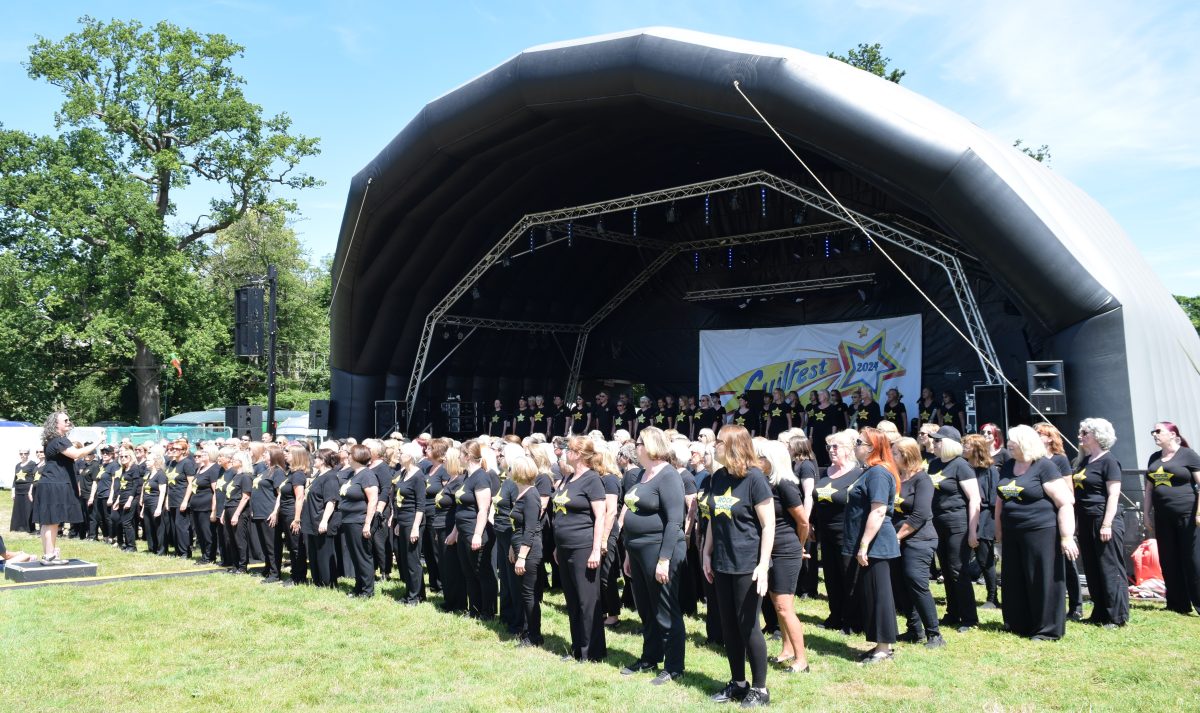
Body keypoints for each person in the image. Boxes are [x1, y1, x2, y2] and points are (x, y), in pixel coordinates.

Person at [702, 424, 774, 707]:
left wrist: (763, 564)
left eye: (719, 442)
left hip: (747, 563)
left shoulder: (755, 479)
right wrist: (707, 553)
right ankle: (738, 683)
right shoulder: (718, 476)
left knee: (748, 625)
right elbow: (714, 516)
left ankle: (760, 689)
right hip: (721, 561)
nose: (714, 446)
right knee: (728, 625)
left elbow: (768, 526)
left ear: (733, 446)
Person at [995, 425, 1079, 640]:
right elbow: (1000, 501)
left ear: (1024, 442)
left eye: (1012, 441)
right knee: (1015, 578)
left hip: (1041, 531)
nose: (1008, 445)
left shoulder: (1045, 467)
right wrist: (999, 533)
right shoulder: (1008, 466)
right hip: (1013, 532)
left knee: (1043, 579)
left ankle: (1047, 629)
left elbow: (1066, 502)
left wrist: (1067, 537)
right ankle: (1019, 623)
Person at [620, 427, 687, 685]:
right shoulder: (643, 474)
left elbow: (674, 521)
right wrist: (628, 554)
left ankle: (673, 666)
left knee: (665, 608)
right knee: (646, 608)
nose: (634, 447)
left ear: (649, 446)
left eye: (638, 443)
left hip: (659, 549)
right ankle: (650, 656)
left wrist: (664, 559)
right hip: (637, 551)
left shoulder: (668, 476)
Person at [844, 427, 901, 663]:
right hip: (868, 542)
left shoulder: (878, 473)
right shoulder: (868, 472)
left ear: (872, 448)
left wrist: (864, 544)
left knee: (880, 594)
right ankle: (879, 644)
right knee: (871, 593)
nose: (854, 445)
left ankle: (884, 648)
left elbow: (878, 512)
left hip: (876, 543)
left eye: (858, 441)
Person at [553, 435, 608, 662]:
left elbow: (600, 516)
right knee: (572, 599)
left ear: (578, 454)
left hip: (583, 546)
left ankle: (591, 651)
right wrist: (557, 547)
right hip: (564, 547)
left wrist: (596, 549)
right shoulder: (568, 478)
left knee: (587, 600)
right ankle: (577, 647)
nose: (565, 452)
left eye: (569, 449)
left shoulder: (592, 480)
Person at [758, 439, 810, 674]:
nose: (756, 461)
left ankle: (802, 660)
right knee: (777, 603)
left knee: (784, 606)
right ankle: (787, 649)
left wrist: (799, 546)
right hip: (770, 549)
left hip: (786, 549)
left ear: (772, 460)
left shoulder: (786, 484)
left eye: (760, 457)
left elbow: (803, 522)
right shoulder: (765, 483)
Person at [1073, 418, 1129, 627]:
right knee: (1092, 567)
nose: (1080, 435)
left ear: (1097, 435)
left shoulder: (1109, 461)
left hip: (1103, 519)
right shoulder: (1084, 461)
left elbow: (1113, 495)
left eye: (1084, 432)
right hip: (1086, 520)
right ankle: (1099, 612)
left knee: (1109, 567)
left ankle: (1117, 616)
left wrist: (1106, 524)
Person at [890, 437, 943, 648]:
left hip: (919, 539)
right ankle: (914, 629)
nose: (891, 457)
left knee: (916, 581)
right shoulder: (895, 478)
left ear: (906, 455)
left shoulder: (923, 480)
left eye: (895, 453)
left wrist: (897, 536)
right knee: (900, 584)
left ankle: (935, 634)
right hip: (896, 540)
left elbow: (920, 514)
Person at [927, 426, 981, 632]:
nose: (934, 443)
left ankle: (969, 618)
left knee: (959, 569)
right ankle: (952, 612)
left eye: (938, 441)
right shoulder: (933, 465)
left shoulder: (961, 466)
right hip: (937, 523)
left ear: (948, 443)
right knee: (947, 570)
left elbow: (974, 498)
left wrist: (973, 531)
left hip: (957, 523)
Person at [1144, 421, 1200, 615]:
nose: (1154, 434)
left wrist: (1199, 512)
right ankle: (1177, 603)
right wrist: (1146, 514)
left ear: (1172, 434)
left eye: (1158, 431)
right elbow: (1149, 489)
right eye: (1153, 431)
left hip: (1188, 516)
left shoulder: (1188, 455)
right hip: (1163, 517)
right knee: (1168, 559)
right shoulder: (1154, 458)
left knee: (1192, 560)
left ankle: (1198, 602)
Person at [31, 412, 100, 563]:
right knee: (53, 521)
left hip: (49, 483)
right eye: (65, 420)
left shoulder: (51, 440)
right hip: (55, 484)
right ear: (56, 424)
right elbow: (76, 454)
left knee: (47, 521)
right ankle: (50, 555)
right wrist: (97, 442)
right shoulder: (59, 440)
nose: (69, 422)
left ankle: (48, 554)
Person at [814, 429, 862, 634]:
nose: (831, 450)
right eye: (829, 447)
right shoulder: (826, 472)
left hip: (847, 533)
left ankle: (853, 621)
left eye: (836, 447)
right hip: (825, 533)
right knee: (831, 576)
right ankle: (835, 615)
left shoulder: (858, 474)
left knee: (848, 577)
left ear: (849, 450)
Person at [1034, 422, 1083, 620]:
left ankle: (1076, 605)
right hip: (1041, 518)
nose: (1036, 435)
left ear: (1049, 438)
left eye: (1039, 433)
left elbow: (1069, 492)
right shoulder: (1032, 460)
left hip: (1059, 515)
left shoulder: (1060, 460)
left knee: (1068, 562)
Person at [447, 441, 496, 619]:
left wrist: (477, 534)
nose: (458, 457)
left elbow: (483, 509)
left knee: (482, 572)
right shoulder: (467, 476)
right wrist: (455, 532)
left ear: (467, 456)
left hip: (476, 532)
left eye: (460, 454)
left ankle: (487, 611)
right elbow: (461, 508)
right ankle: (474, 609)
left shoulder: (481, 477)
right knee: (469, 572)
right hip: (463, 531)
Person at [507, 455, 545, 647]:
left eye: (511, 468)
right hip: (520, 548)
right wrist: (512, 549)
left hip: (529, 551)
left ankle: (534, 635)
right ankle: (528, 630)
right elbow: (517, 526)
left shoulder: (531, 495)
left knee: (529, 595)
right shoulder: (521, 493)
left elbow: (530, 529)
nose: (508, 471)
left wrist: (522, 555)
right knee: (524, 593)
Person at [962, 434, 1001, 610]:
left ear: (976, 449)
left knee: (985, 559)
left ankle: (992, 597)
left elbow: (994, 500)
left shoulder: (990, 470)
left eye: (967, 445)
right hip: (966, 516)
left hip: (985, 517)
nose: (963, 448)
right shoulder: (964, 468)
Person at [338, 444, 380, 598]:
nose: (347, 456)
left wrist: (367, 523)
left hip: (359, 520)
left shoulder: (367, 475)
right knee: (355, 556)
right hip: (348, 520)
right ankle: (359, 587)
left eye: (350, 454)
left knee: (363, 556)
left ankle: (367, 590)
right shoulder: (353, 474)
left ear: (357, 457)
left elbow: (373, 500)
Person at [390, 442, 427, 604]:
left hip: (413, 521)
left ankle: (414, 597)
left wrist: (414, 528)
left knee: (413, 561)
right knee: (405, 560)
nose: (398, 454)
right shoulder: (404, 472)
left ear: (410, 457)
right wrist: (398, 522)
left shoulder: (418, 476)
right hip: (403, 521)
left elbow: (420, 505)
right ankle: (415, 593)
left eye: (401, 452)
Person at [302, 449, 341, 588]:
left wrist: (324, 520)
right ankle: (317, 581)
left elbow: (331, 501)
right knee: (314, 553)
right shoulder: (319, 475)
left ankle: (328, 583)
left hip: (321, 520)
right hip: (311, 519)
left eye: (316, 458)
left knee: (324, 553)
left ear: (324, 460)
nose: (314, 460)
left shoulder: (330, 477)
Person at [252, 447, 284, 583]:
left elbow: (280, 494)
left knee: (272, 545)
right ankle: (268, 568)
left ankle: (275, 573)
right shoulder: (265, 471)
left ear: (273, 456)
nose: (263, 455)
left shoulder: (278, 472)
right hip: (259, 512)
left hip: (269, 512)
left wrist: (275, 512)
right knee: (264, 544)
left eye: (266, 453)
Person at [279, 445, 309, 586]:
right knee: (291, 546)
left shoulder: (298, 475)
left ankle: (299, 577)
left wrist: (297, 519)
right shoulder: (290, 473)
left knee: (296, 546)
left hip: (293, 514)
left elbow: (299, 497)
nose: (285, 454)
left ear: (297, 456)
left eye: (288, 452)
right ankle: (294, 574)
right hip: (285, 513)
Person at [221, 450, 254, 574]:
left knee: (239, 538)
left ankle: (242, 566)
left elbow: (245, 497)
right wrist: (225, 512)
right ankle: (235, 565)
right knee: (231, 539)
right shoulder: (236, 475)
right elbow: (229, 495)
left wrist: (236, 514)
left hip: (238, 509)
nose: (232, 461)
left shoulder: (246, 476)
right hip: (229, 507)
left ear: (241, 462)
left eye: (234, 460)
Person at [186, 446, 220, 565]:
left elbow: (215, 491)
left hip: (206, 506)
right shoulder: (200, 468)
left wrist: (214, 510)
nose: (202, 454)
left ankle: (209, 557)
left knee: (207, 532)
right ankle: (204, 554)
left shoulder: (214, 469)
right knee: (200, 532)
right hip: (196, 505)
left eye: (205, 452)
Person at [140, 451, 168, 555]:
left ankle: (161, 550)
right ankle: (152, 548)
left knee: (159, 528)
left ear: (155, 461)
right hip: (147, 504)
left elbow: (163, 492)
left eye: (148, 460)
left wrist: (159, 507)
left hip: (155, 503)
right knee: (149, 527)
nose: (146, 462)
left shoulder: (160, 474)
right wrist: (143, 508)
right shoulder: (149, 474)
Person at [807, 390, 844, 467]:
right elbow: (812, 423)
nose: (818, 397)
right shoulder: (815, 408)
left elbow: (834, 424)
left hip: (827, 435)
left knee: (827, 453)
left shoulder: (832, 408)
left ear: (825, 396)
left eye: (820, 395)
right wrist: (810, 436)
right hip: (816, 435)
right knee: (816, 452)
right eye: (818, 395)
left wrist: (833, 436)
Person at [10, 448, 37, 534]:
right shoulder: (17, 465)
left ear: (28, 454)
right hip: (18, 490)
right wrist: (13, 491)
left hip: (27, 489)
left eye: (25, 453)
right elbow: (15, 479)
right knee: (18, 510)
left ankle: (28, 528)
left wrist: (31, 490)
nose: (23, 455)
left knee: (28, 509)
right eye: (21, 454)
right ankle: (17, 527)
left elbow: (34, 478)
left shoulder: (32, 464)